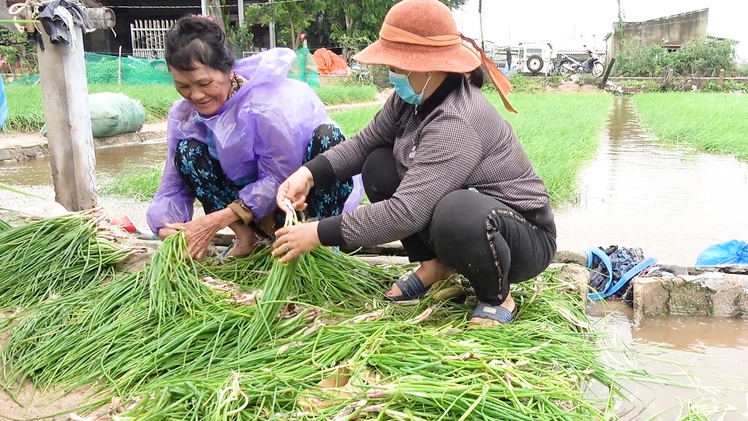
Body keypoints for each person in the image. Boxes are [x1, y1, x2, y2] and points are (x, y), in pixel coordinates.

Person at [272, 0, 556, 326]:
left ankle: (497, 295)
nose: (391, 76)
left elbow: (406, 212)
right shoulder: (410, 100)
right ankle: (435, 265)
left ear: (428, 66)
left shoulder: (457, 119)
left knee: (457, 212)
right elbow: (365, 145)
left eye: (395, 67)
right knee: (378, 164)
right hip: (476, 217)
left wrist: (318, 233)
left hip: (522, 237)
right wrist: (308, 174)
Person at [146, 15, 360, 259]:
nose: (196, 95)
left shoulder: (265, 106)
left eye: (204, 83)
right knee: (187, 151)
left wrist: (217, 219)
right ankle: (248, 238)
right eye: (183, 86)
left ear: (228, 70)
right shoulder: (183, 114)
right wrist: (165, 223)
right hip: (246, 214)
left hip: (294, 205)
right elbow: (173, 184)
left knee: (328, 138)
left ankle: (319, 243)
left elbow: (279, 177)